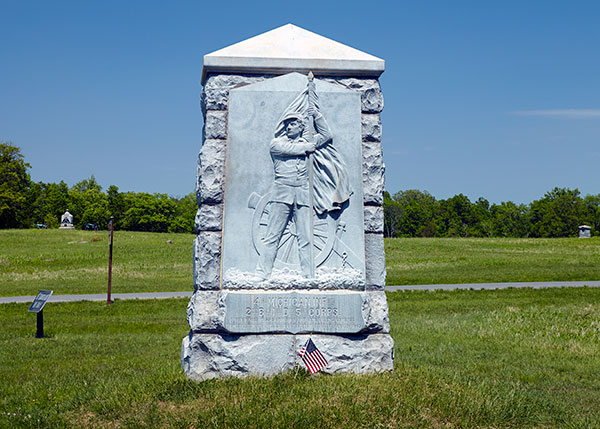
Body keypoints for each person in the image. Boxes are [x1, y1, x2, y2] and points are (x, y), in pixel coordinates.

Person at [256, 107, 332, 280]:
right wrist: (308, 146)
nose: (288, 127)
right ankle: (262, 273)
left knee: (306, 237)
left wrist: (317, 115)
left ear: (301, 126)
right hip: (282, 191)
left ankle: (308, 275)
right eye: (286, 124)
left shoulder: (307, 141)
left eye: (292, 124)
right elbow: (291, 150)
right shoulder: (276, 143)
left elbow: (327, 135)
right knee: (272, 236)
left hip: (302, 192)